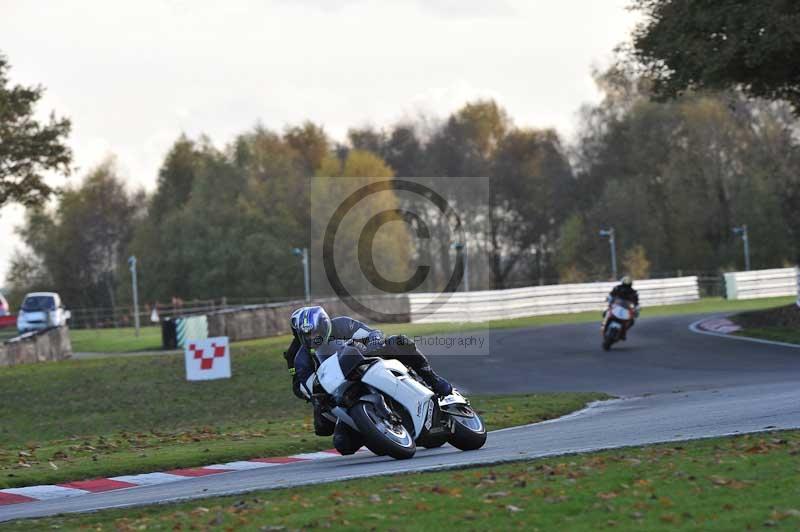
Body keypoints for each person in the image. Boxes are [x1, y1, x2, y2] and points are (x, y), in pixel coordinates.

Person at [283, 305, 453, 453]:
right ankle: (376, 430)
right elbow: (304, 385)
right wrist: (314, 395)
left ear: (324, 324)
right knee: (343, 444)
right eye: (307, 335)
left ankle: (432, 379)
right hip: (343, 390)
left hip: (367, 363)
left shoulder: (342, 324)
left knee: (398, 342)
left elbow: (370, 333)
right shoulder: (300, 357)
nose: (313, 338)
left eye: (315, 332)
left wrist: (374, 342)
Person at [606, 276, 640, 340]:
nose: (626, 286)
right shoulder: (617, 288)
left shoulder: (633, 292)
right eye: (625, 284)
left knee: (631, 321)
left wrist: (636, 309)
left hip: (626, 309)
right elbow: (611, 295)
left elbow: (636, 302)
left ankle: (623, 333)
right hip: (616, 305)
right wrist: (609, 298)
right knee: (606, 312)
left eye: (627, 284)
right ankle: (604, 324)